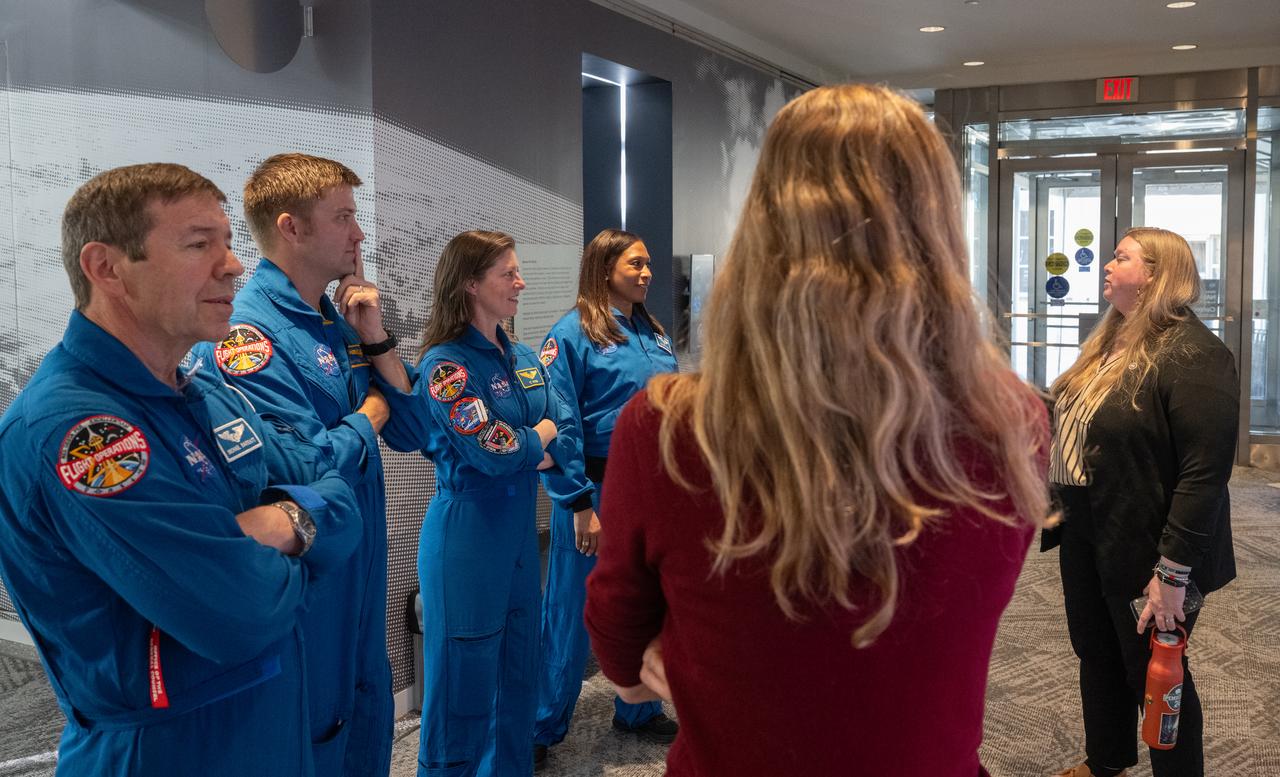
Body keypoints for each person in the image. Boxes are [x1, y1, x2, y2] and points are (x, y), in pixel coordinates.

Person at [583, 83, 1051, 777]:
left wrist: (689, 658)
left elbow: (623, 658)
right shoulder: (1013, 422)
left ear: (765, 226)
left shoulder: (667, 429)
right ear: (939, 227)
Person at [0, 163, 362, 775]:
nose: (233, 264)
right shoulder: (81, 435)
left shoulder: (199, 393)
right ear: (106, 268)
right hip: (169, 748)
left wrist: (279, 523)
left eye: (226, 242)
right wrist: (294, 537)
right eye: (199, 245)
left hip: (264, 724)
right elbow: (243, 612)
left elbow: (340, 502)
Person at [196, 153, 427, 777]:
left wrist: (376, 340)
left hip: (361, 562)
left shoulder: (340, 318)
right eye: (344, 217)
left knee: (366, 717)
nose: (358, 234)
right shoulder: (248, 335)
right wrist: (370, 414)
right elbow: (305, 462)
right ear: (291, 227)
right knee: (316, 734)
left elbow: (415, 428)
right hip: (311, 571)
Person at [1045, 227, 1238, 777]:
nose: (1108, 265)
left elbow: (1204, 476)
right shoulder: (1111, 339)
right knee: (1097, 652)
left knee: (1155, 668)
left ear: (1155, 273)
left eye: (1121, 258)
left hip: (1149, 537)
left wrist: (1172, 573)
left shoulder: (1196, 353)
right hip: (1086, 522)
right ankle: (1105, 761)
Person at [411, 230, 578, 777]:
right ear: (470, 283)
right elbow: (495, 451)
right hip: (467, 536)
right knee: (463, 684)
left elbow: (563, 429)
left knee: (518, 675)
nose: (520, 282)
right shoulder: (446, 366)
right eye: (508, 273)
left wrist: (536, 442)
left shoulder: (523, 354)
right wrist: (538, 440)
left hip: (517, 536)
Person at [533, 228, 678, 770]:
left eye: (648, 264)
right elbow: (563, 424)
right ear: (604, 267)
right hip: (598, 491)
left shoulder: (653, 332)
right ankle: (543, 725)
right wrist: (577, 502)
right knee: (572, 614)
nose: (646, 273)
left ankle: (636, 711)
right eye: (635, 264)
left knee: (647, 605)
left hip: (656, 493)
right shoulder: (571, 335)